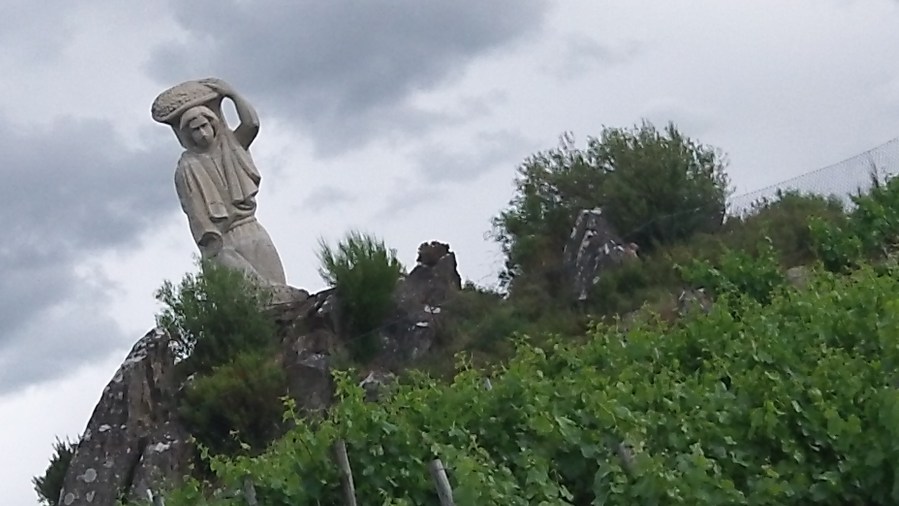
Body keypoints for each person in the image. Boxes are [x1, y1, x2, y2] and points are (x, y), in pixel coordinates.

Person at [164, 78, 287, 285]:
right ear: (188, 135)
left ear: (213, 124)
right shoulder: (187, 167)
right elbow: (195, 213)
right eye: (195, 130)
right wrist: (213, 250)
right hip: (223, 242)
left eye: (204, 126)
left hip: (251, 230)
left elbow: (251, 124)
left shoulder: (232, 144)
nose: (202, 133)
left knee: (281, 291)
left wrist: (232, 94)